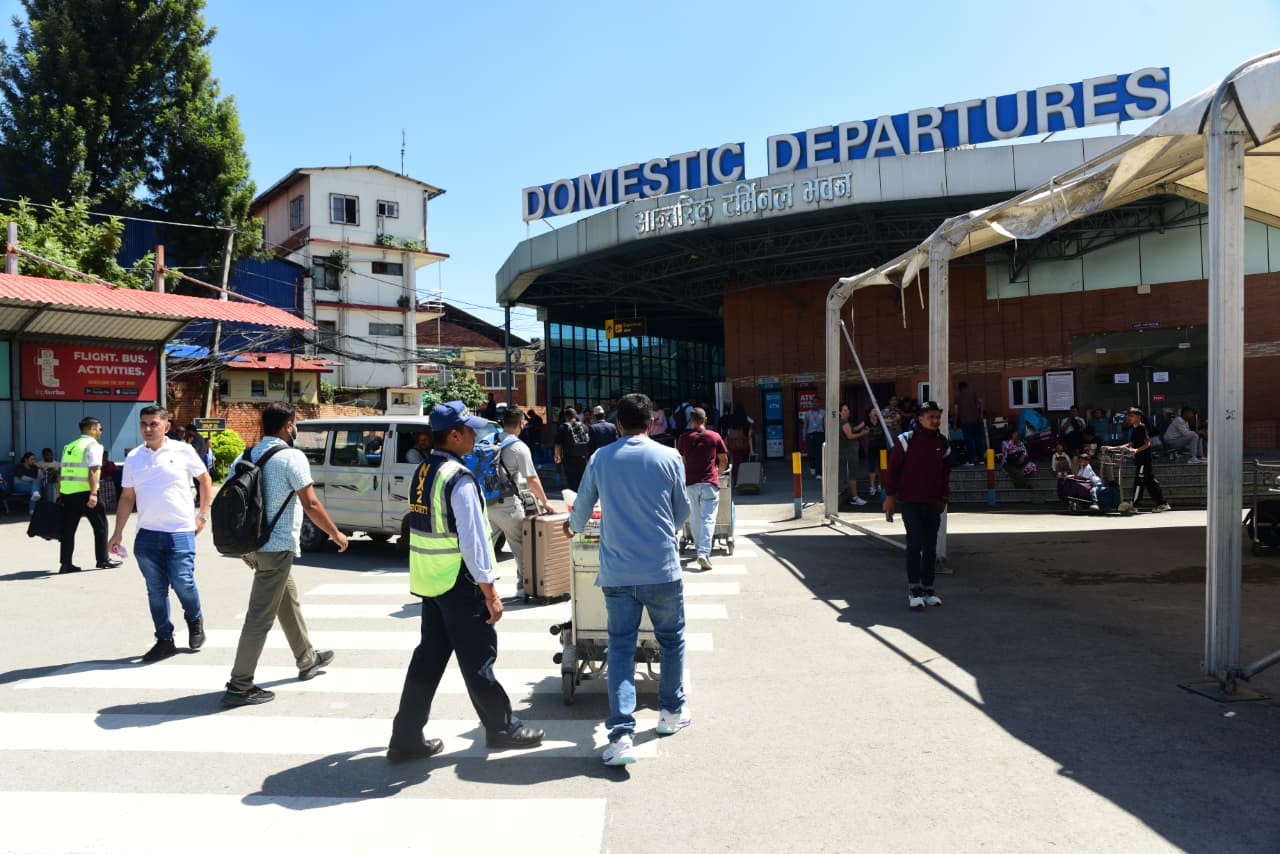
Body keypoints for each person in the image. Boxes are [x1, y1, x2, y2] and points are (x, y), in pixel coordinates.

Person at [387, 401, 544, 763]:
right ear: (454, 436)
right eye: (470, 430)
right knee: (478, 659)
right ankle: (502, 728)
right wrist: (490, 592)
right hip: (459, 580)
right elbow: (473, 541)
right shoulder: (458, 478)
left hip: (431, 580)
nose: (475, 435)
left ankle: (405, 737)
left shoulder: (424, 471)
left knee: (428, 660)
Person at [564, 393, 692, 766]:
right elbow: (681, 511)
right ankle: (670, 712)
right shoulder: (670, 457)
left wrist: (571, 527)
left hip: (617, 572)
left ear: (618, 423)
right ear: (651, 422)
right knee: (671, 640)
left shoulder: (600, 458)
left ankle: (621, 735)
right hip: (661, 568)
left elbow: (581, 510)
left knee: (620, 648)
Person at [222, 402, 348, 707]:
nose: (295, 429)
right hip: (276, 548)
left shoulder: (245, 456)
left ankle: (307, 659)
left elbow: (231, 504)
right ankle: (239, 685)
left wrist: (244, 547)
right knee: (258, 619)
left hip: (254, 546)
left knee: (287, 601)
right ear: (288, 425)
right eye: (295, 424)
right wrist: (335, 533)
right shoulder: (292, 457)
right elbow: (311, 503)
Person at [108, 406, 211, 662]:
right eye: (143, 424)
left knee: (183, 582)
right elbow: (127, 497)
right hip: (147, 535)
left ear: (166, 426)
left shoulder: (183, 450)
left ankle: (194, 619)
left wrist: (202, 515)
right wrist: (117, 533)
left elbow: (205, 480)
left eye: (153, 424)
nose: (147, 429)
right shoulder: (134, 457)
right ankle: (164, 639)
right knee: (156, 590)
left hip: (180, 531)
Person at [883, 401, 950, 611]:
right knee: (914, 544)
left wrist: (943, 498)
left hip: (933, 503)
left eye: (937, 417)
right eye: (930, 417)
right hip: (910, 502)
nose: (935, 420)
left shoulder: (942, 442)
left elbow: (945, 473)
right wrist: (890, 497)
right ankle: (914, 590)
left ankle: (929, 589)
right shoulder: (906, 440)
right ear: (920, 419)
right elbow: (893, 471)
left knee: (930, 547)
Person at [486, 408, 552, 586]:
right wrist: (545, 502)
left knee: (485, 547)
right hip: (507, 505)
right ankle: (525, 584)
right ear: (521, 424)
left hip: (486, 503)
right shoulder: (518, 447)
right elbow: (532, 479)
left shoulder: (489, 440)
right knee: (521, 545)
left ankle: (477, 584)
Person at [57, 417, 120, 574]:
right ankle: (103, 559)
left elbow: (62, 471)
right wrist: (93, 493)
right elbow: (93, 470)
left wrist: (60, 491)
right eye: (100, 428)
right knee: (100, 526)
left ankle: (66, 564)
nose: (101, 431)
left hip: (68, 493)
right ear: (92, 429)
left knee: (68, 529)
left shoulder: (69, 446)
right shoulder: (94, 446)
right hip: (86, 492)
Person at [677, 407, 728, 571]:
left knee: (695, 518)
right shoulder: (714, 436)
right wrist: (717, 473)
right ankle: (703, 553)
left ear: (690, 421)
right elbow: (724, 460)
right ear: (705, 420)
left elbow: (681, 461)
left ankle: (700, 550)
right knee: (708, 519)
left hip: (691, 483)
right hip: (709, 483)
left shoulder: (683, 439)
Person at [1107, 407, 1170, 512]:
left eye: (1132, 416)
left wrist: (1136, 450)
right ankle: (1163, 503)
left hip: (1144, 460)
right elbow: (1131, 443)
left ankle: (1134, 505)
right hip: (1141, 460)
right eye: (1129, 416)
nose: (1129, 418)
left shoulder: (1141, 428)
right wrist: (1114, 448)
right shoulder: (1135, 429)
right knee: (1150, 482)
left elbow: (1147, 444)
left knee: (1139, 483)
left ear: (1138, 417)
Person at [839, 403, 869, 508]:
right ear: (839, 412)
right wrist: (862, 433)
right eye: (845, 410)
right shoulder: (843, 422)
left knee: (852, 474)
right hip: (849, 451)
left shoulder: (846, 422)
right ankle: (855, 497)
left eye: (848, 409)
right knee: (852, 474)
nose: (848, 412)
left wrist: (862, 425)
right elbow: (850, 435)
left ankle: (854, 496)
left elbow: (852, 430)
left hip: (850, 451)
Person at [555, 407, 591, 490]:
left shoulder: (563, 427)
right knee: (581, 482)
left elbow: (557, 444)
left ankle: (574, 496)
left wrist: (557, 458)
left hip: (569, 459)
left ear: (566, 416)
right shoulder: (584, 426)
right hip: (582, 459)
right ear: (575, 415)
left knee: (572, 482)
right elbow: (587, 443)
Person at [954, 381, 985, 466]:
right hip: (976, 421)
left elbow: (956, 412)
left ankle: (971, 461)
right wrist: (981, 414)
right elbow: (981, 402)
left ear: (960, 388)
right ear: (967, 387)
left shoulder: (958, 397)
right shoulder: (973, 394)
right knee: (979, 440)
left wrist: (955, 424)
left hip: (965, 422)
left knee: (969, 441)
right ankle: (981, 459)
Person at [866, 407, 888, 500]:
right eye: (874, 411)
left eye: (876, 411)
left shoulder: (881, 421)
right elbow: (857, 428)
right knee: (872, 467)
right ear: (869, 414)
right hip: (872, 448)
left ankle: (880, 485)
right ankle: (872, 487)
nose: (876, 412)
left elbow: (891, 420)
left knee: (883, 467)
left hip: (882, 447)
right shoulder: (866, 423)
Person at [803, 404, 826, 477]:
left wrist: (826, 436)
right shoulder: (808, 413)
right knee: (810, 453)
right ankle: (812, 466)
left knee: (819, 454)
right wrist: (804, 436)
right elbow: (805, 425)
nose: (815, 404)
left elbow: (825, 425)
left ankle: (819, 473)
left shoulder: (823, 412)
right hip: (811, 434)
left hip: (820, 434)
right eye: (814, 402)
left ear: (819, 403)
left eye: (817, 402)